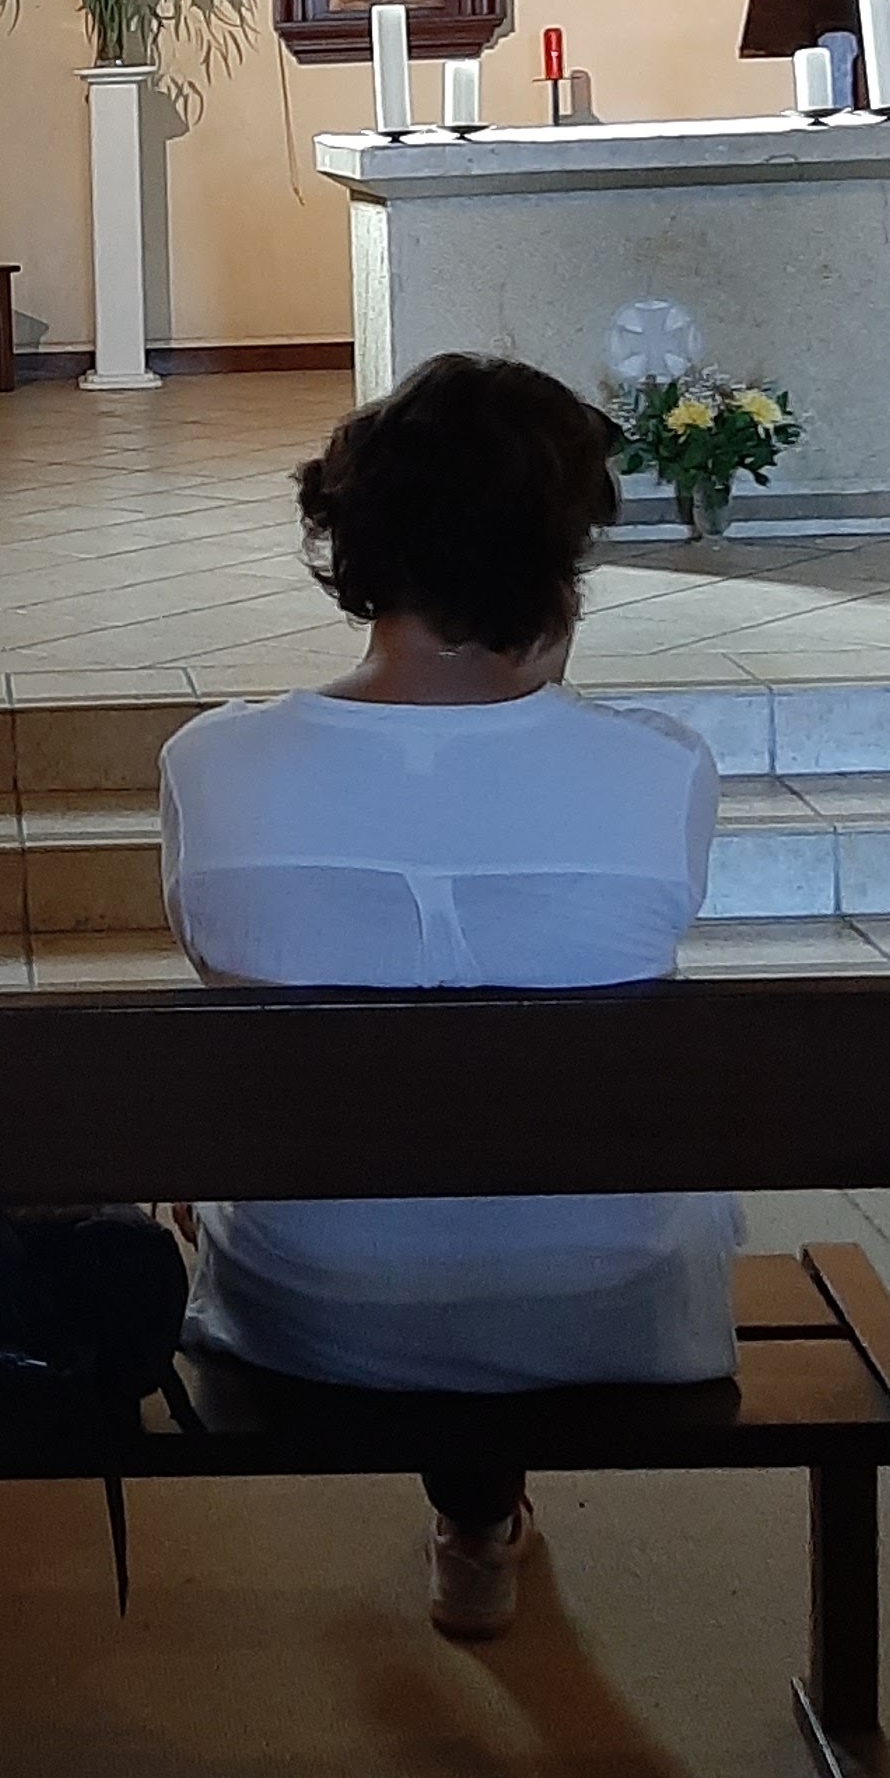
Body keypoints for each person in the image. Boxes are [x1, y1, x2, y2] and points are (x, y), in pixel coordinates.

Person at [158, 355, 735, 1642]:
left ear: (354, 543)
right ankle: (481, 1517)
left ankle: (475, 1518)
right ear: (562, 562)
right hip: (612, 1297)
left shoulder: (216, 767)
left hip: (314, 1304)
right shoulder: (659, 772)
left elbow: (241, 1015)